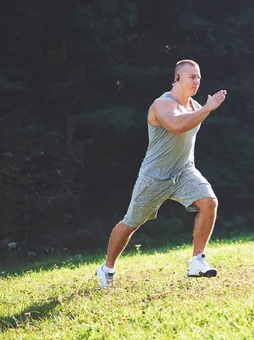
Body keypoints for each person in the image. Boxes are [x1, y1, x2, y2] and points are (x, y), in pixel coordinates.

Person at [96, 59, 227, 289]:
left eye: (199, 77)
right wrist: (207, 109)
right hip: (154, 177)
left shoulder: (196, 106)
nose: (197, 81)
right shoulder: (162, 104)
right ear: (177, 78)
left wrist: (203, 109)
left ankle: (197, 261)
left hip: (184, 171)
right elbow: (176, 126)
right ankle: (107, 268)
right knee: (131, 223)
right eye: (192, 77)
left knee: (209, 202)